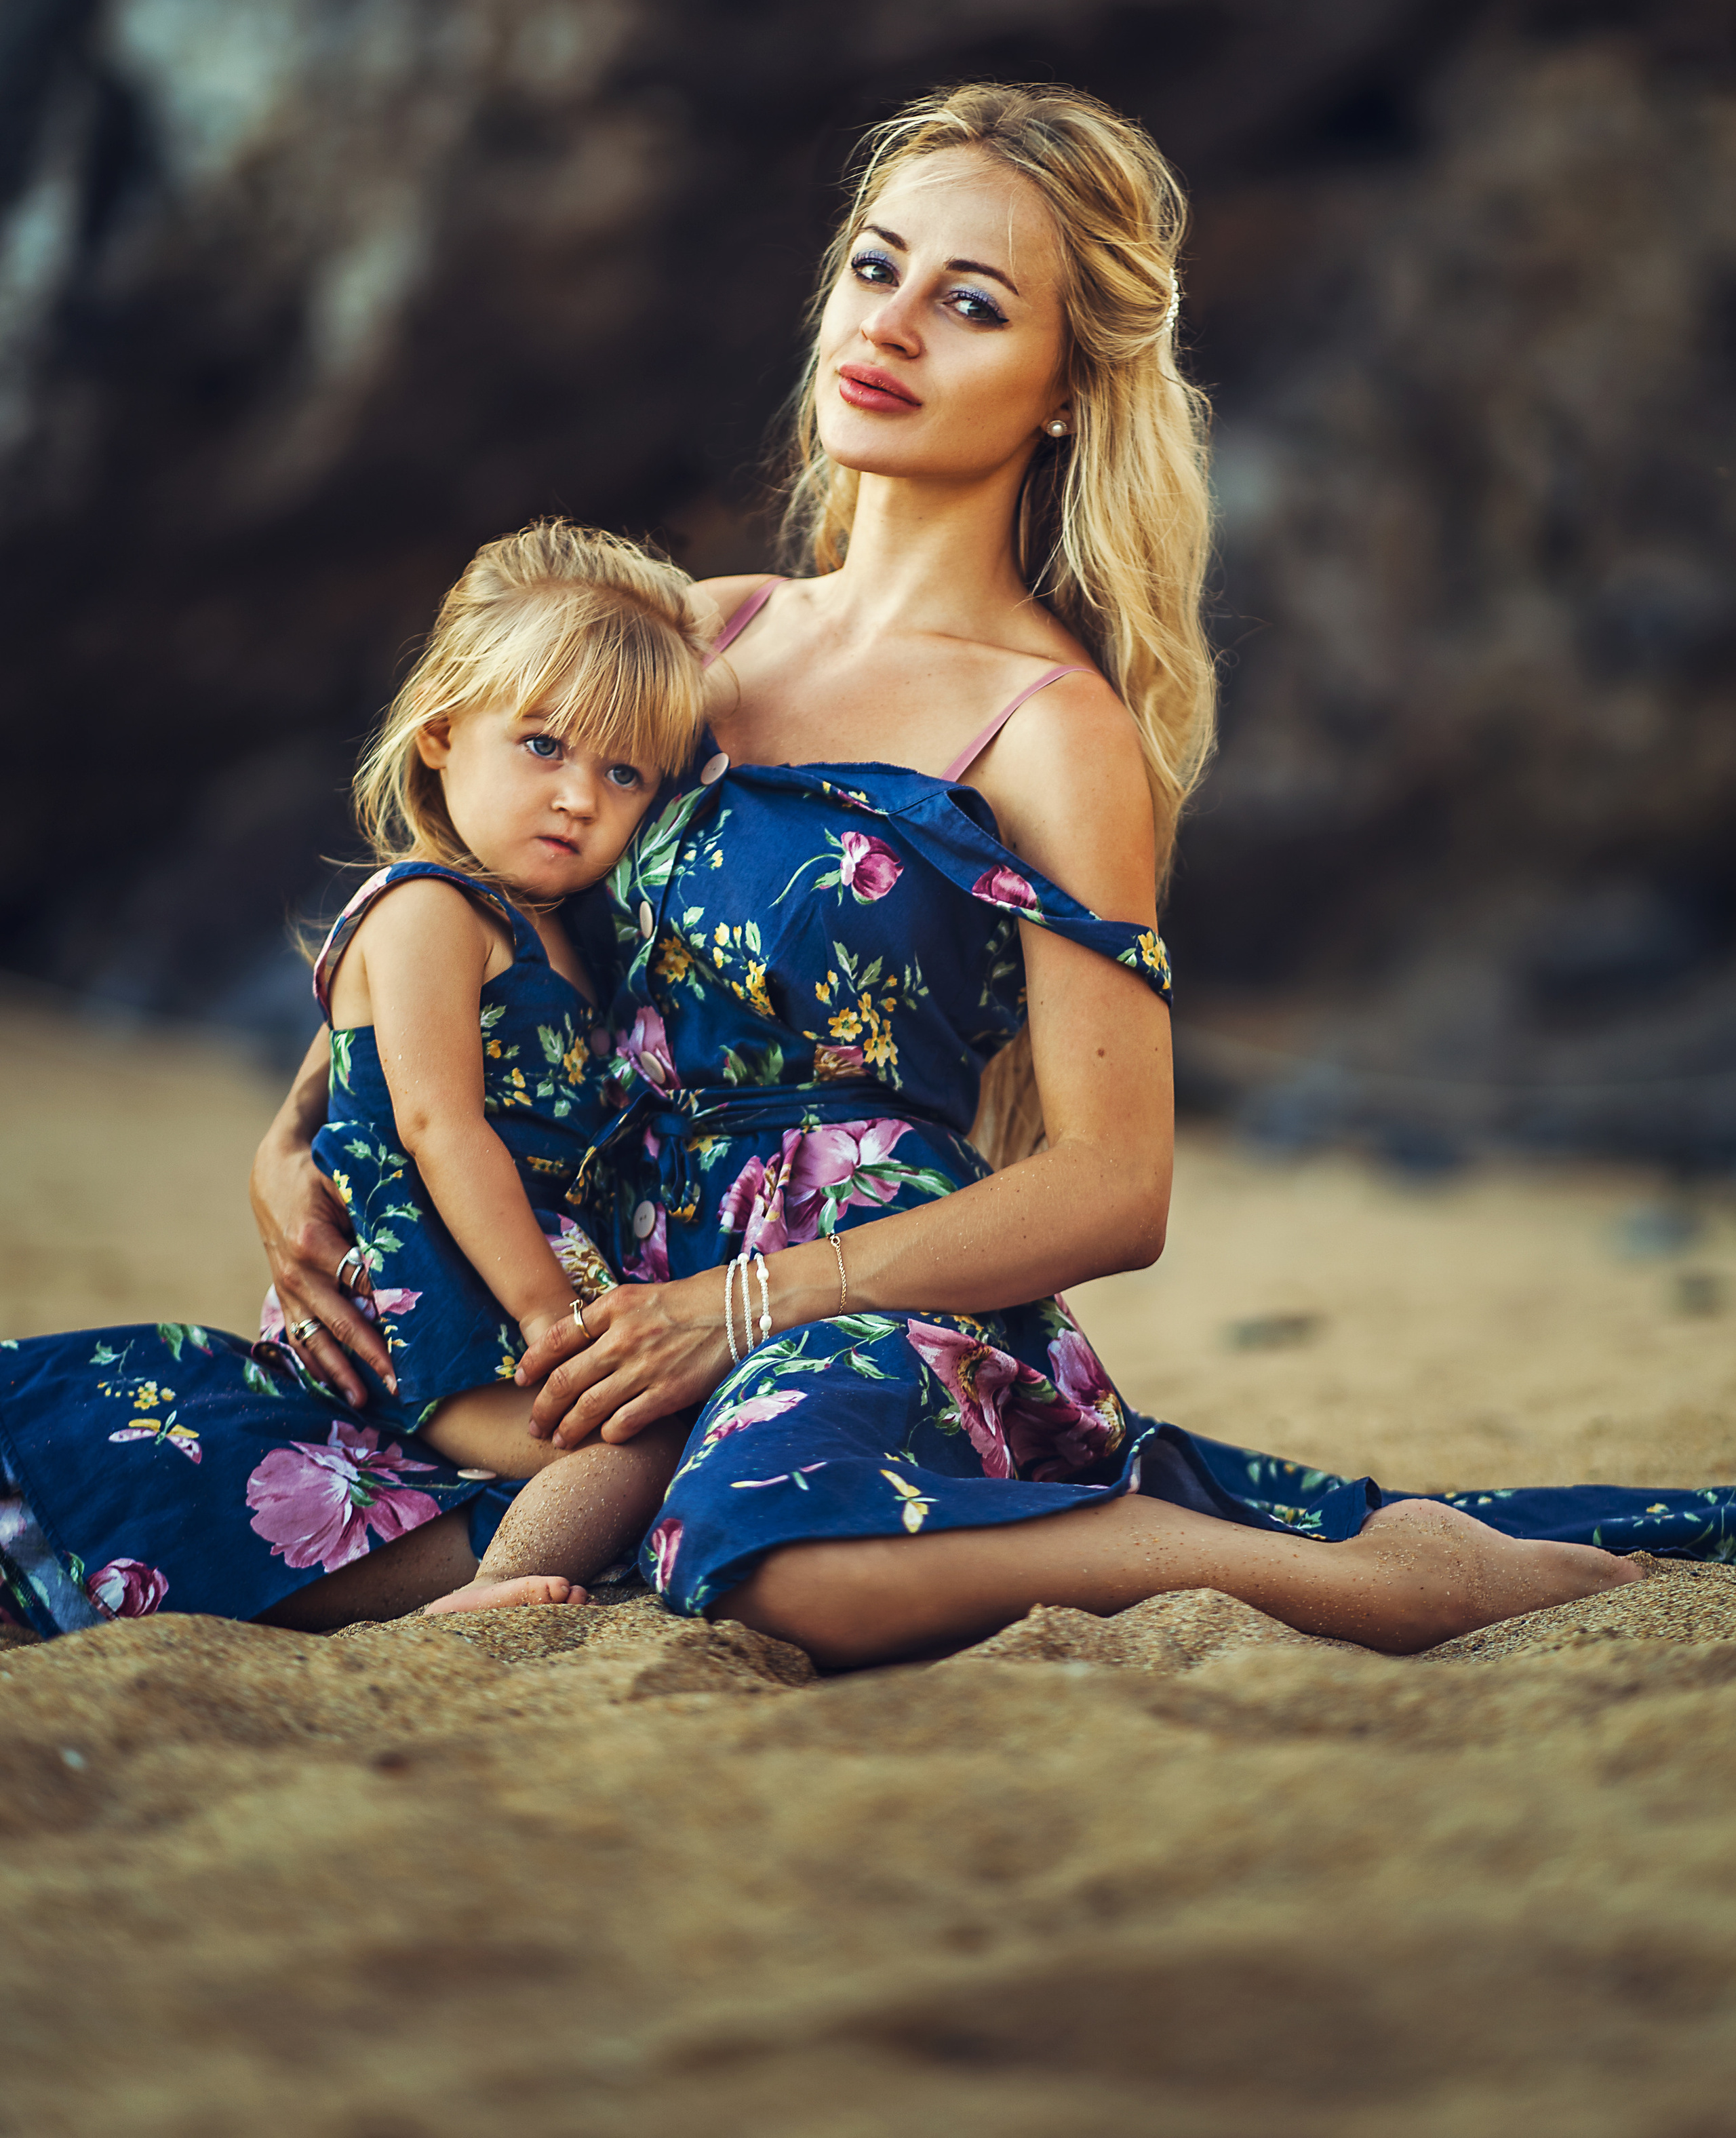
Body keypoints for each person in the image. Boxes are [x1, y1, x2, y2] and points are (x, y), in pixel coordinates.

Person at [260, 80, 1736, 1665]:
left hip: (856, 1295)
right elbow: (473, 893)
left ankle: (1392, 1580)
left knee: (784, 1564)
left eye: (968, 305)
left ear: (1059, 390)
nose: (890, 328)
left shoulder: (1052, 729)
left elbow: (1116, 1181)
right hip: (596, 1278)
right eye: (875, 269)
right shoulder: (691, 635)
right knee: (143, 1476)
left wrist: (745, 1305)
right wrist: (294, 1140)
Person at [0, 522, 704, 1635]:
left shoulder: (563, 933)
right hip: (437, 1302)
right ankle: (483, 1600)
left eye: (624, 773)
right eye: (542, 746)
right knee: (636, 1443)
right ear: (439, 734)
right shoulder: (432, 908)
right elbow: (437, 1125)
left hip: (498, 1289)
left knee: (641, 1444)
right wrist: (547, 1317)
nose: (580, 796)